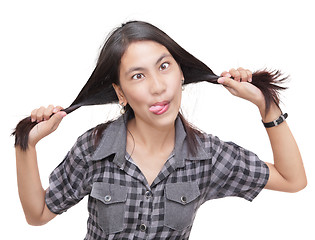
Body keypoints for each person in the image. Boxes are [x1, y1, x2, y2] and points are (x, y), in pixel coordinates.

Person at [15, 21, 307, 239]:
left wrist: (266, 105)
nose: (157, 87)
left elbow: (292, 179)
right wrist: (26, 145)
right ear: (120, 92)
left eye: (164, 66)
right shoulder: (94, 148)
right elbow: (37, 214)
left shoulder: (207, 156)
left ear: (181, 72)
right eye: (138, 75)